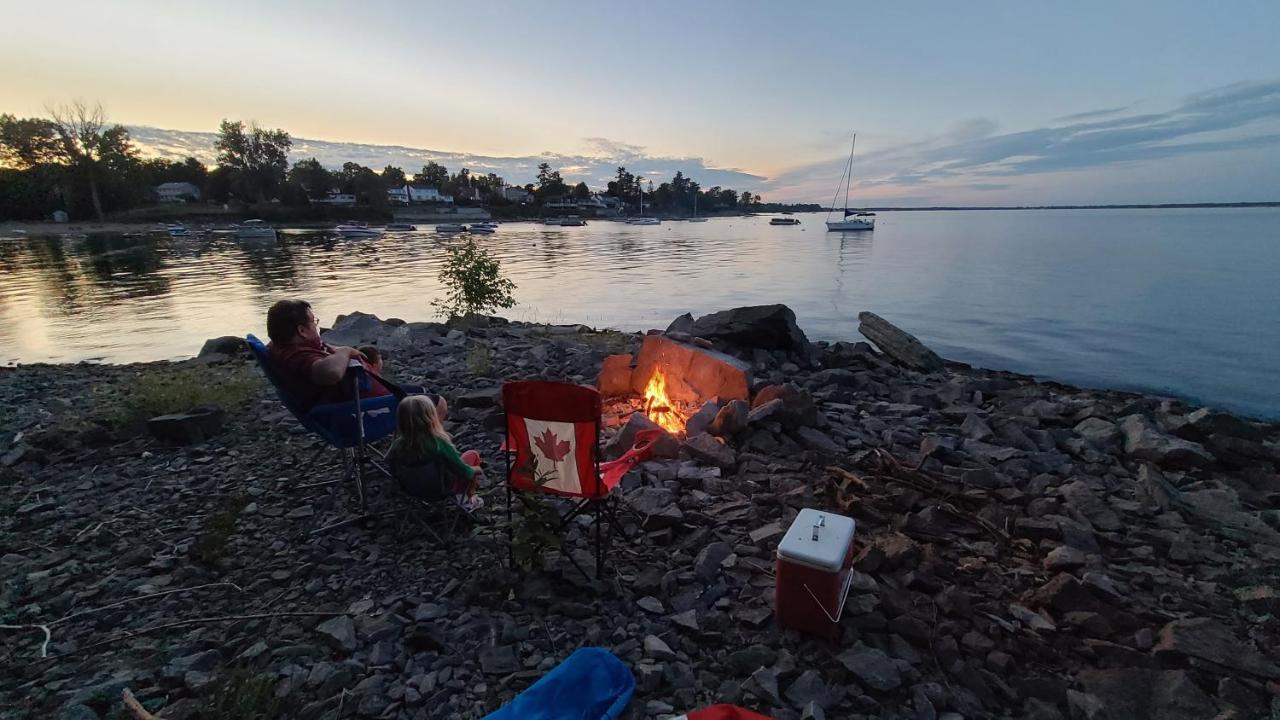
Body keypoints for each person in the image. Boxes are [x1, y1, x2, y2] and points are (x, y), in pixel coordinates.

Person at [389, 394, 484, 511]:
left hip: (411, 490)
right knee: (472, 455)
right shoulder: (438, 443)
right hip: (442, 489)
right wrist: (475, 469)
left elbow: (391, 465)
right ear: (431, 417)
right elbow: (463, 471)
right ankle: (468, 499)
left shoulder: (397, 445)